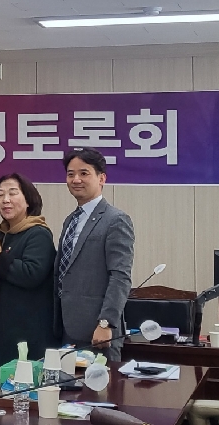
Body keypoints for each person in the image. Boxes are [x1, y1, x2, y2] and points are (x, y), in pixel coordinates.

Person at [54, 147, 135, 361]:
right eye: (70, 174)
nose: (76, 179)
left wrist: (106, 323)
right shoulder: (71, 220)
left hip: (98, 331)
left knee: (103, 384)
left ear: (101, 178)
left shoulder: (115, 220)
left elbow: (120, 276)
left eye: (84, 173)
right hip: (67, 328)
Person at [0, 173, 57, 385]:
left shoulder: (38, 234)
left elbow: (31, 274)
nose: (5, 200)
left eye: (12, 193)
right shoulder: (1, 235)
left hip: (31, 332)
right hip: (5, 330)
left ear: (28, 200)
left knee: (25, 392)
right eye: (0, 195)